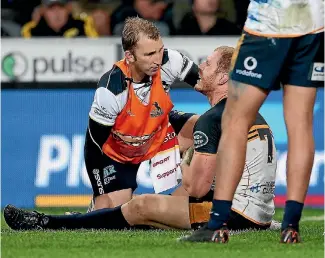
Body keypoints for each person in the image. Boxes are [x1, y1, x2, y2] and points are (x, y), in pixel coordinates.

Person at [3, 46, 279, 233]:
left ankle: (48, 223)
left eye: (207, 63)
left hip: (234, 217)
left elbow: (196, 187)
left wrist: (183, 158)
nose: (201, 67)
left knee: (142, 205)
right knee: (163, 205)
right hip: (255, 215)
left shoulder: (212, 120)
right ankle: (81, 219)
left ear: (222, 77)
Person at [181, 0, 324, 244]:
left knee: (235, 120)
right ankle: (291, 227)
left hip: (270, 17)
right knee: (301, 125)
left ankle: (216, 224)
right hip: (313, 18)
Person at [80, 16, 199, 211]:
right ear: (130, 56)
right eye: (149, 54)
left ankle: (202, 203)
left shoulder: (171, 61)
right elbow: (93, 145)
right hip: (120, 153)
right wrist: (99, 194)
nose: (158, 59)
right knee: (112, 214)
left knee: (208, 128)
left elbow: (207, 85)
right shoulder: (111, 90)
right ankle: (103, 206)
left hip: (160, 134)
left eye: (160, 50)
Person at [21, 0, 98, 38]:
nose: (57, 13)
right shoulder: (33, 30)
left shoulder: (83, 25)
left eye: (61, 8)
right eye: (51, 9)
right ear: (43, 12)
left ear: (68, 9)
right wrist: (35, 22)